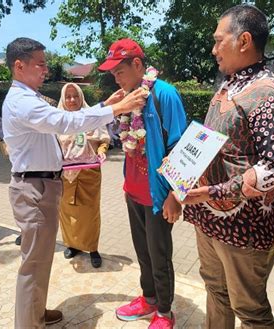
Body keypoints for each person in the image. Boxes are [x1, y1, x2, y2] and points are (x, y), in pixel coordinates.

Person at [1, 37, 146, 328]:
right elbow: (65, 122)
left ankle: (36, 313)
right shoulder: (22, 102)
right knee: (33, 265)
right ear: (19, 66)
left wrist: (105, 104)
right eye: (40, 64)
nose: (46, 70)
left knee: (40, 261)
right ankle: (28, 323)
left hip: (42, 186)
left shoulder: (27, 97)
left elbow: (70, 117)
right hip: (34, 189)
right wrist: (115, 109)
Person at [177, 5, 274, 328]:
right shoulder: (227, 86)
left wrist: (213, 191)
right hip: (208, 220)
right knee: (216, 292)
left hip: (243, 230)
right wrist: (177, 173)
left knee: (250, 310)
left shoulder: (273, 94)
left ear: (244, 40)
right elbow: (207, 143)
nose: (214, 49)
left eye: (219, 41)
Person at [98, 38, 187, 328]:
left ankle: (164, 311)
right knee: (143, 253)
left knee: (160, 256)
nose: (115, 77)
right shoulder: (126, 98)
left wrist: (176, 195)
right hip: (133, 191)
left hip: (158, 195)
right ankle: (148, 298)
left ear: (137, 65)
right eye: (112, 72)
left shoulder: (164, 95)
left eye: (119, 71)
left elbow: (180, 148)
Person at [57, 83, 110, 268]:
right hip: (66, 175)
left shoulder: (92, 118)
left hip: (89, 172)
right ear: (63, 99)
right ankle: (72, 245)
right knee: (67, 211)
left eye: (75, 96)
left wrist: (102, 150)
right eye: (68, 97)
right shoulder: (58, 121)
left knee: (90, 212)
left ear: (81, 97)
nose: (72, 100)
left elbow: (104, 140)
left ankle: (92, 248)